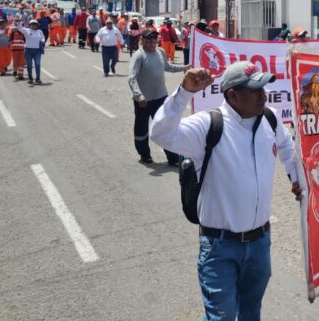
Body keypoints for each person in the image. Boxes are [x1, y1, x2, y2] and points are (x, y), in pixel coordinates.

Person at [150, 62, 303, 321]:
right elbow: (161, 133)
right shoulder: (209, 125)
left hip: (259, 243)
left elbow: (288, 150)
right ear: (232, 95)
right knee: (221, 317)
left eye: (263, 87)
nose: (263, 95)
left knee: (250, 312)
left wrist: (297, 179)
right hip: (220, 246)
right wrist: (184, 93)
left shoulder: (270, 117)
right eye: (254, 90)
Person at [128, 29, 187, 165]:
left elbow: (167, 66)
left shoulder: (160, 51)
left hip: (160, 98)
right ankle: (145, 155)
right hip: (143, 101)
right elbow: (132, 78)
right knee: (142, 129)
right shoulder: (139, 56)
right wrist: (139, 95)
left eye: (154, 41)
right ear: (142, 40)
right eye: (148, 41)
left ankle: (172, 158)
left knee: (165, 127)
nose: (151, 44)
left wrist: (183, 67)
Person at [16, 19, 45, 85]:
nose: (34, 25)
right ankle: (30, 78)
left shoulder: (39, 31)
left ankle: (38, 79)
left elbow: (43, 37)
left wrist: (42, 40)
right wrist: (20, 21)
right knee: (29, 65)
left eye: (35, 24)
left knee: (37, 64)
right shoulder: (26, 30)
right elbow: (19, 28)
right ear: (30, 25)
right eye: (32, 24)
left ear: (37, 25)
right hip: (28, 50)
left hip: (37, 51)